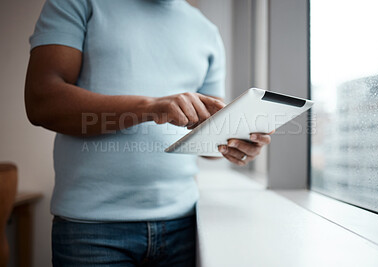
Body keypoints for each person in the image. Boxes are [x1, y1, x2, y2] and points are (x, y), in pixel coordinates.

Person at [25, 0, 273, 266]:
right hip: (92, 230)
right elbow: (42, 101)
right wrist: (151, 107)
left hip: (183, 225)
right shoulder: (77, 3)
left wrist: (234, 142)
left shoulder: (206, 30)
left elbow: (207, 135)